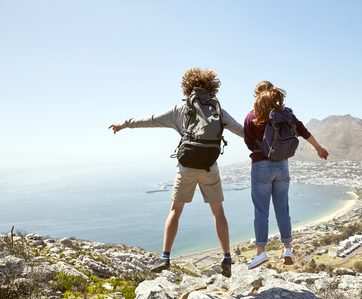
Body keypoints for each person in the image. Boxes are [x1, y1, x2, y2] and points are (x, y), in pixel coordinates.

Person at [109, 67, 244, 278]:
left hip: (186, 168)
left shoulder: (179, 110)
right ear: (212, 87)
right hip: (210, 168)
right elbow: (242, 132)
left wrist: (124, 123)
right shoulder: (218, 111)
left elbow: (150, 120)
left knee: (175, 210)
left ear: (188, 86)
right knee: (218, 212)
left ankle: (165, 258)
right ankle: (227, 258)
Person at [243, 81, 329, 270]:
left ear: (257, 95)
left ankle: (260, 253)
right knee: (282, 209)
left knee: (261, 211)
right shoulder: (287, 114)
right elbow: (303, 131)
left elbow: (249, 143)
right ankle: (288, 249)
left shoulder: (252, 117)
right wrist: (319, 148)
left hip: (261, 166)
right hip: (282, 165)